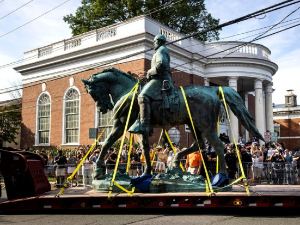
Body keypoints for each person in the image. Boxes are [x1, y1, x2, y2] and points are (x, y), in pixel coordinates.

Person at [128, 34, 174, 135]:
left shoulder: (161, 50)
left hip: (161, 80)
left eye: (154, 42)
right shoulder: (161, 50)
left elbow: (161, 64)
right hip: (158, 78)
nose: (153, 44)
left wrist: (149, 72)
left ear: (159, 41)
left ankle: (144, 125)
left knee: (142, 96)